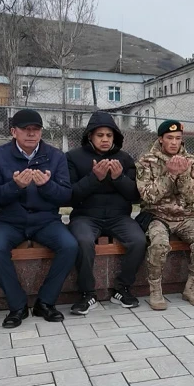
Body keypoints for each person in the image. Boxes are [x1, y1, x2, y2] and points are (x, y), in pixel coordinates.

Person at [0, 109, 75, 329]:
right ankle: (17, 306)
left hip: (45, 220)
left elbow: (65, 195)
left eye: (36, 129)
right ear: (13, 131)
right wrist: (15, 186)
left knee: (70, 246)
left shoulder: (55, 156)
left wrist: (46, 186)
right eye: (26, 129)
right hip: (9, 220)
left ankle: (45, 302)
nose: (31, 134)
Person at [67, 111, 144, 313]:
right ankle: (87, 293)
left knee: (138, 240)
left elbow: (134, 195)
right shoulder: (73, 157)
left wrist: (119, 178)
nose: (105, 139)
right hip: (86, 216)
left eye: (109, 135)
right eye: (100, 135)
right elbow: (71, 196)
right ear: (90, 136)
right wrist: (94, 178)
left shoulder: (124, 159)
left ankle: (122, 288)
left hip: (119, 217)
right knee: (83, 241)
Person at [136, 119, 194, 310]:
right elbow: (148, 196)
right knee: (159, 243)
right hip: (157, 216)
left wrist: (183, 175)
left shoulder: (191, 161)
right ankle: (155, 290)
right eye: (170, 138)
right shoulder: (147, 161)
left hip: (185, 217)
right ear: (161, 139)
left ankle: (191, 287)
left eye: (178, 138)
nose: (174, 142)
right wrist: (169, 175)